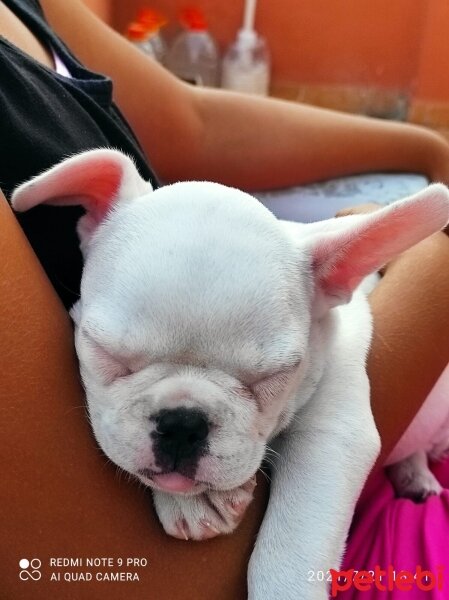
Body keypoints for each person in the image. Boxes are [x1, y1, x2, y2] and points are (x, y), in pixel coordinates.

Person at [0, 0, 448, 596]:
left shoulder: (34, 5)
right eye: (118, 358)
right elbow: (92, 575)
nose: (184, 424)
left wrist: (424, 149)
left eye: (256, 378)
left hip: (407, 406)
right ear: (89, 214)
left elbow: (193, 119)